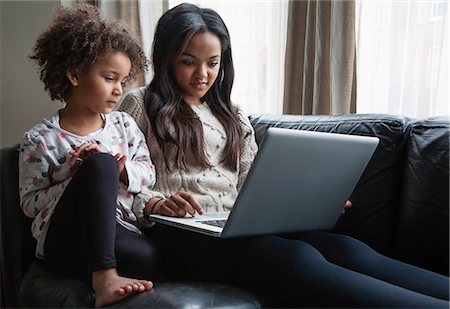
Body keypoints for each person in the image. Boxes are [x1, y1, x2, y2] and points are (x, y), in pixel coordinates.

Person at [117, 3, 449, 307]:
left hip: (233, 227)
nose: (202, 74)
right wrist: (154, 203)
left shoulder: (233, 115)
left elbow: (252, 186)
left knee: (347, 248)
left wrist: (307, 200)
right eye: (188, 61)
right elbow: (116, 182)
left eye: (213, 63)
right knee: (295, 258)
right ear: (167, 57)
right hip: (178, 234)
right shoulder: (140, 104)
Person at [19, 4, 161, 308]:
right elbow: (30, 205)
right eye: (110, 78)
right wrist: (72, 174)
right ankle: (105, 276)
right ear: (73, 74)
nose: (118, 90)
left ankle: (104, 265)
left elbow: (148, 173)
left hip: (112, 234)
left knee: (146, 257)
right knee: (100, 162)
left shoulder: (124, 125)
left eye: (123, 82)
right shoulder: (41, 139)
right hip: (64, 243)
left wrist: (120, 172)